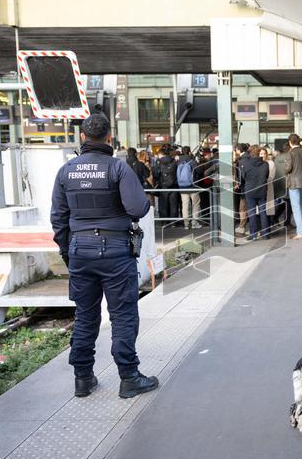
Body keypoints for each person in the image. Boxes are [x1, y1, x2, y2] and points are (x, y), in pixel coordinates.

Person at [49, 113, 160, 399]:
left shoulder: (66, 172)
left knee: (85, 315)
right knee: (122, 314)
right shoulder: (118, 169)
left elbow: (58, 219)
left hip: (79, 253)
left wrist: (68, 253)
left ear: (83, 137)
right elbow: (138, 209)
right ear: (109, 138)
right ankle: (129, 377)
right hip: (115, 253)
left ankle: (83, 378)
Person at [240, 145, 271, 239]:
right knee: (263, 211)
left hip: (250, 190)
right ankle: (265, 234)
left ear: (251, 153)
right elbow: (266, 176)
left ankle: (253, 234)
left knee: (252, 212)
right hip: (262, 190)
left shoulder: (246, 164)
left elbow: (243, 177)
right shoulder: (265, 164)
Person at [284, 133, 302, 239]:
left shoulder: (290, 153)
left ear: (290, 142)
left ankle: (300, 232)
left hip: (294, 184)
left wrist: (285, 170)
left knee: (296, 208)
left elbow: (288, 168)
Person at [176, 146, 200, 229]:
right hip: (193, 186)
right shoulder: (192, 161)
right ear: (189, 152)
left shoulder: (178, 161)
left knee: (185, 205)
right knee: (195, 204)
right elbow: (199, 171)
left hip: (182, 186)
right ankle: (194, 223)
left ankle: (186, 224)